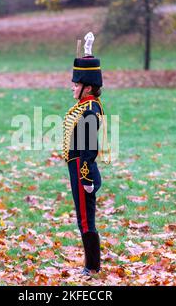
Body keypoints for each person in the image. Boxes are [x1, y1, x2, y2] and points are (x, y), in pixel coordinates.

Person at [62, 32, 109, 276]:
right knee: (82, 218)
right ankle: (90, 264)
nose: (73, 86)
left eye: (77, 84)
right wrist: (88, 52)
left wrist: (87, 178)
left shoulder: (89, 111)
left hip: (83, 170)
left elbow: (89, 150)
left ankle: (92, 266)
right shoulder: (86, 105)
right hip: (77, 167)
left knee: (85, 220)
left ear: (87, 88)